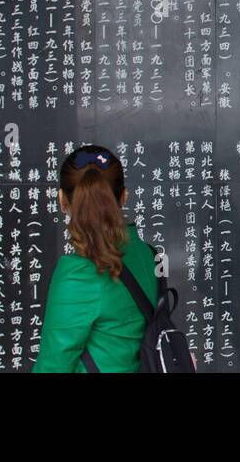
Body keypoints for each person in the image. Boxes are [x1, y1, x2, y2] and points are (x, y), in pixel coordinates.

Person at [33, 145, 158, 373]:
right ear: (124, 196)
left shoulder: (79, 272)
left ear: (61, 199)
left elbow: (53, 365)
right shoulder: (148, 254)